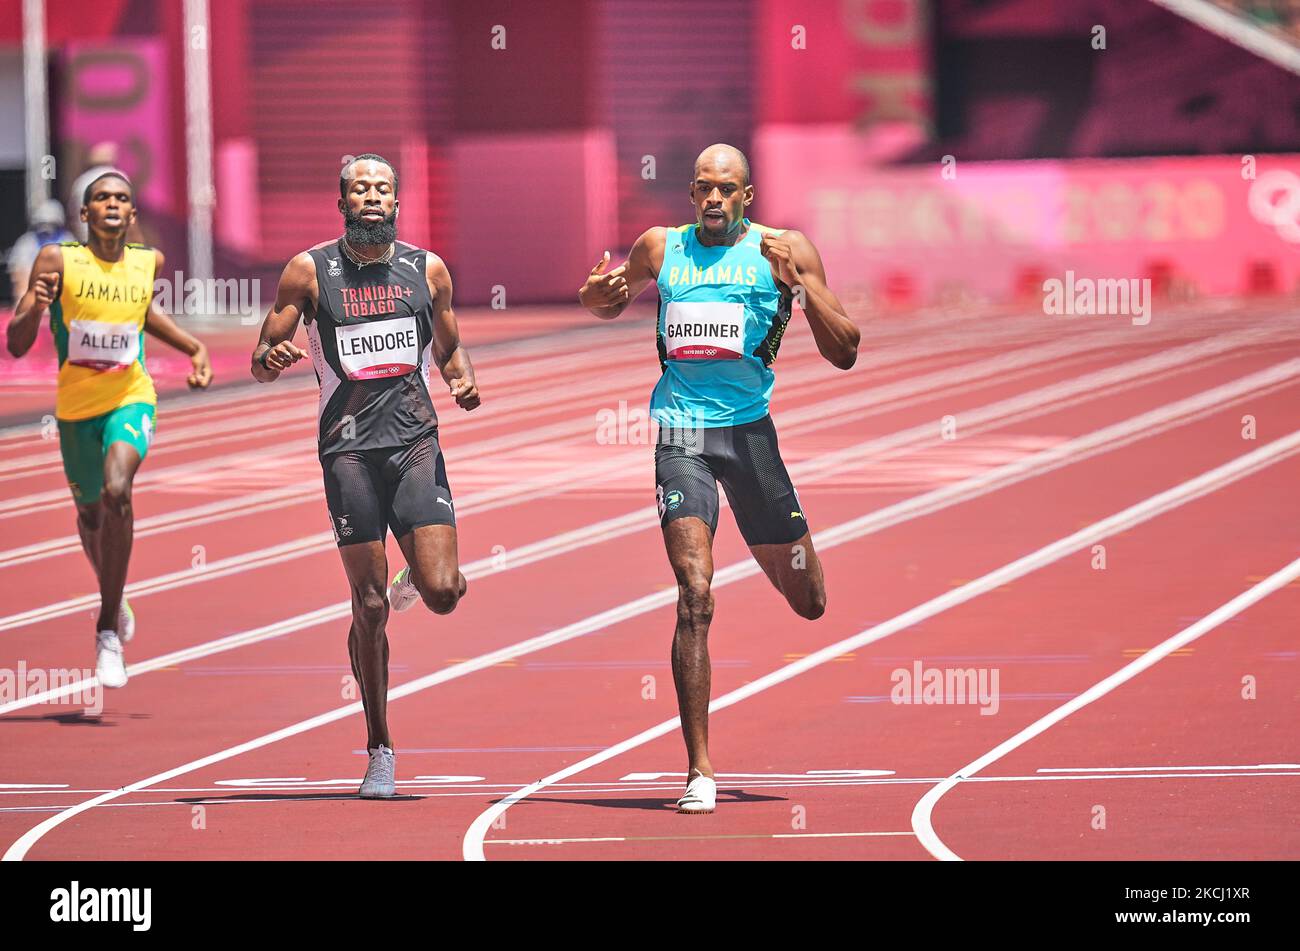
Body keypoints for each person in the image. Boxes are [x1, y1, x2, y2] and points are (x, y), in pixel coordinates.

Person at [578, 144, 860, 813]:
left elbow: (845, 349)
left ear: (747, 196)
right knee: (695, 591)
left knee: (811, 599)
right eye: (703, 187)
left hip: (751, 437)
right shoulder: (660, 247)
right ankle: (699, 769)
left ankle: (778, 555)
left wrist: (801, 285)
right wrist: (596, 296)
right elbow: (606, 300)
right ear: (690, 192)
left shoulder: (783, 249)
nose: (712, 199)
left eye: (726, 189)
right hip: (681, 434)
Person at [251, 154, 479, 799]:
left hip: (413, 443)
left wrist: (461, 376)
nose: (372, 197)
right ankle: (380, 747)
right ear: (342, 201)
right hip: (346, 453)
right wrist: (273, 353)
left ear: (397, 201)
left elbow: (450, 343)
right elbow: (261, 361)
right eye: (360, 189)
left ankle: (418, 577)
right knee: (369, 605)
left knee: (441, 592)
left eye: (383, 188)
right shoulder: (310, 270)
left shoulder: (426, 269)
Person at [6, 170, 213, 687]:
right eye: (102, 198)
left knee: (119, 489)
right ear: (85, 214)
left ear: (133, 214)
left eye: (122, 197)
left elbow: (141, 314)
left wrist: (193, 347)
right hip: (76, 412)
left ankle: (106, 631)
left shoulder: (148, 262)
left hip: (130, 397)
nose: (113, 204)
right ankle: (114, 597)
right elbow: (16, 341)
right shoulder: (59, 260)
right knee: (91, 518)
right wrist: (36, 297)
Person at [7, 199, 74, 298]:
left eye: (51, 224)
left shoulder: (69, 240)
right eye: (42, 223)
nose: (46, 229)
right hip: (32, 292)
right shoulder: (26, 242)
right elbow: (16, 273)